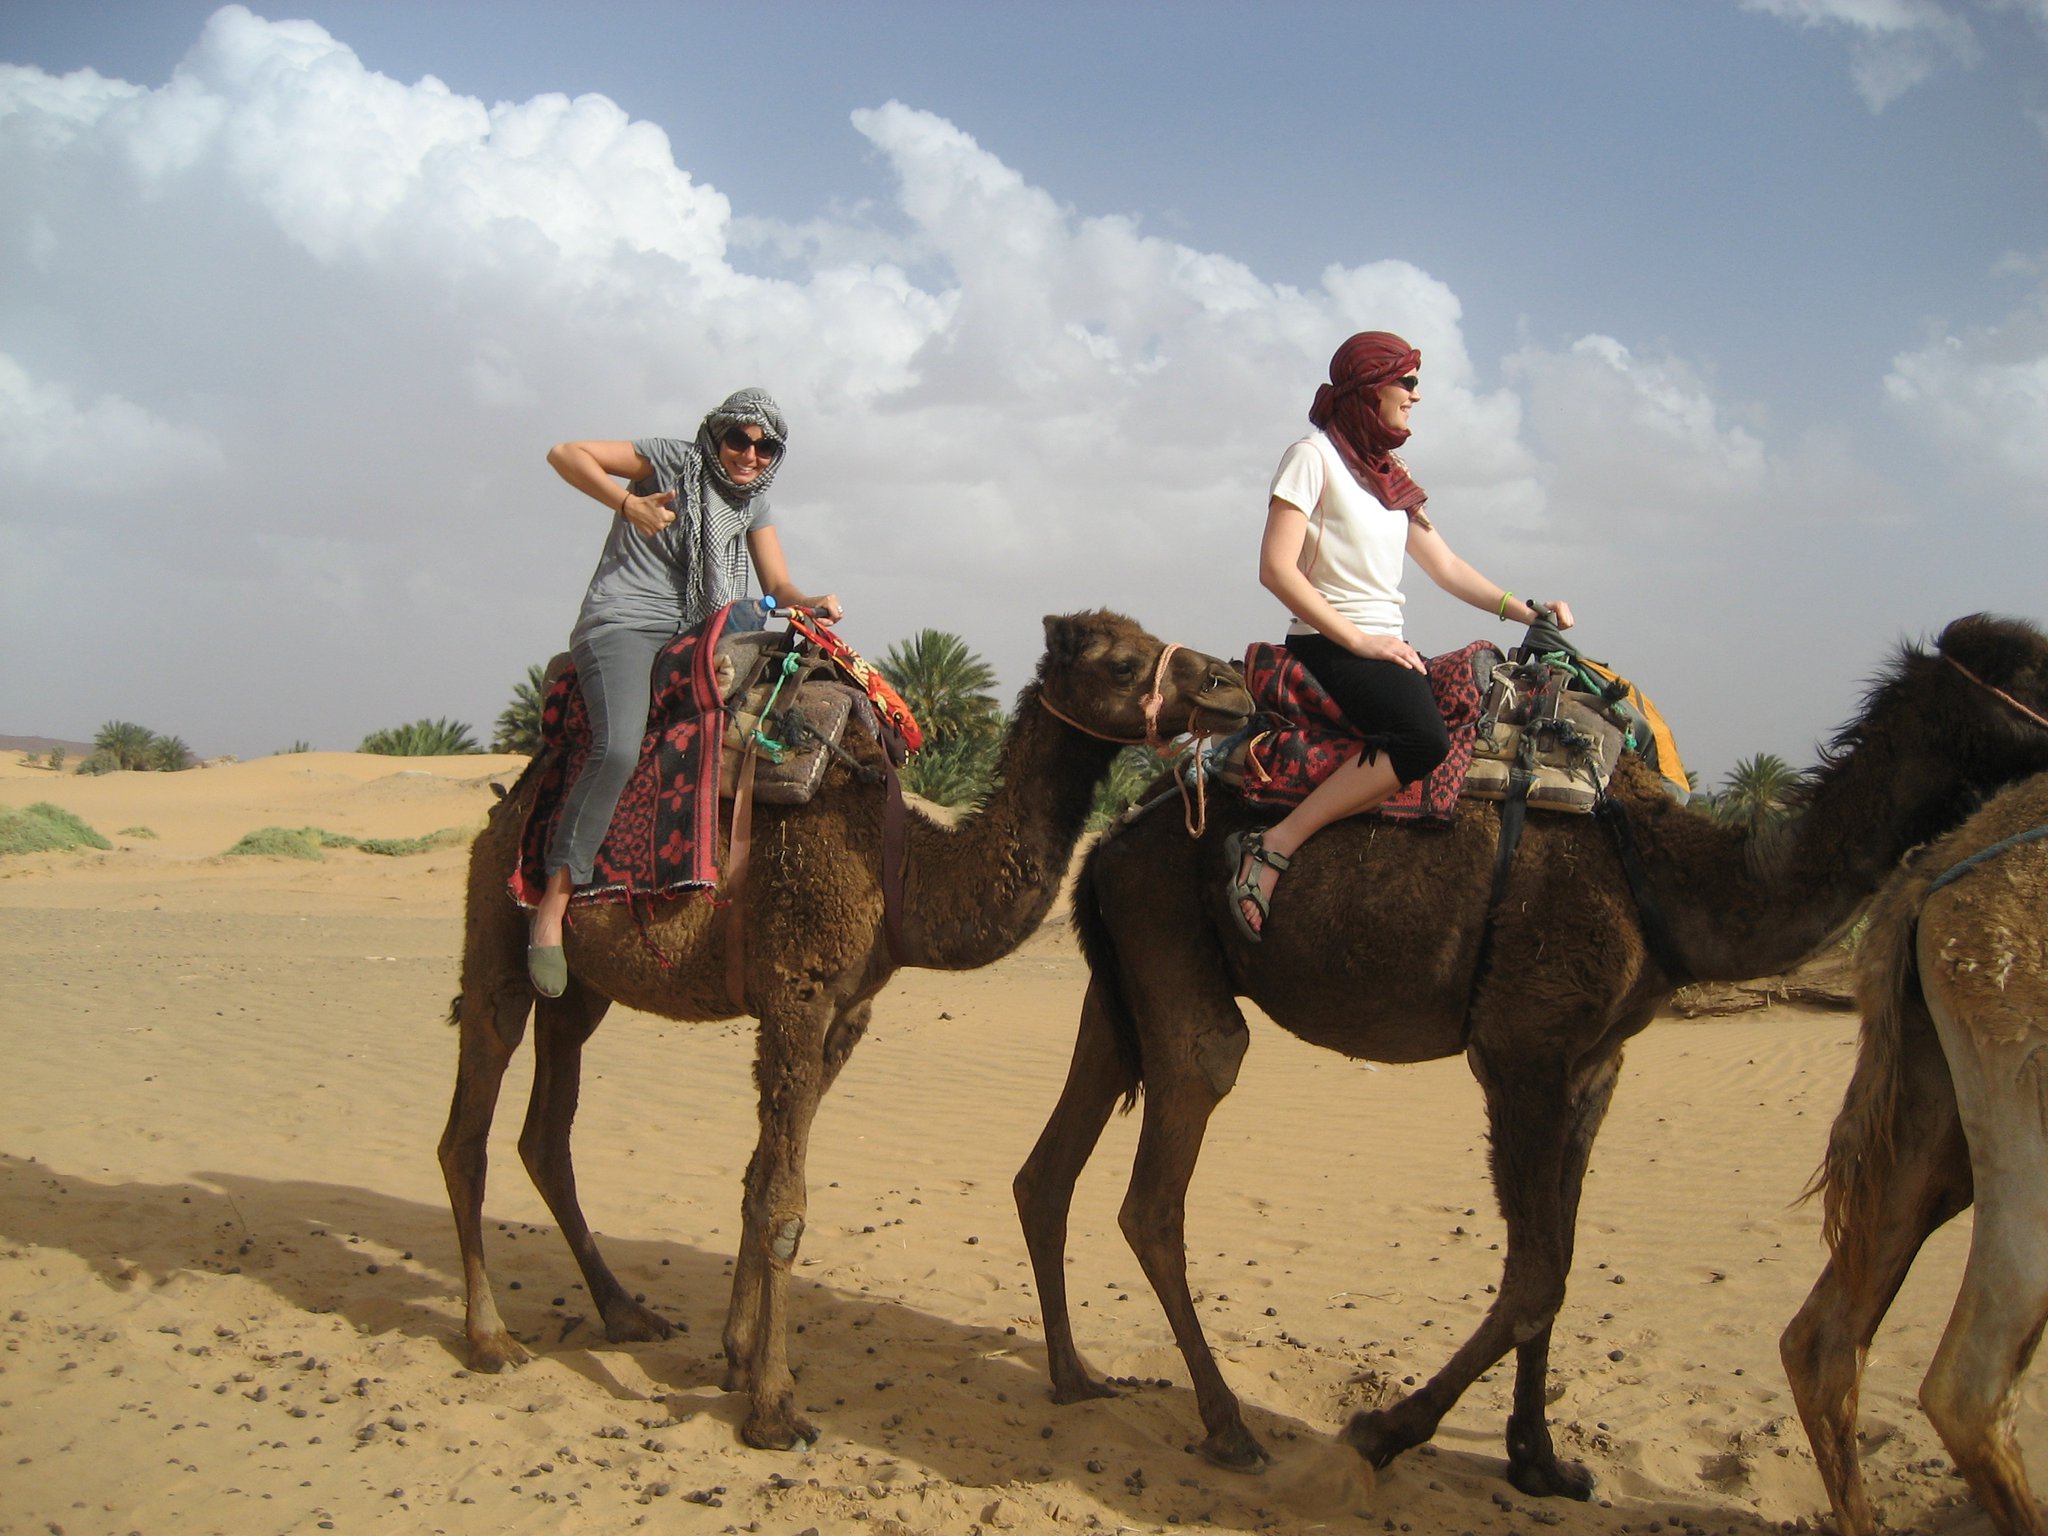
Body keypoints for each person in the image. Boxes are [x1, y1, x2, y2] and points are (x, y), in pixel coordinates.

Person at [1227, 331, 1574, 942]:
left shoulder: (1387, 472)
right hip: (1330, 641)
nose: (1416, 395)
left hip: (1386, 643)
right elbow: (1275, 569)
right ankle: (1273, 846)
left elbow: (1444, 566)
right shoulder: (1312, 457)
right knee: (1421, 740)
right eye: (1407, 381)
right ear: (1370, 387)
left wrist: (1528, 612)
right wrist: (1360, 642)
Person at [526, 387, 843, 996]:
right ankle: (553, 903)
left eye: (765, 445)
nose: (750, 455)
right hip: (624, 624)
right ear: (715, 435)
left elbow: (778, 581)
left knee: (768, 708)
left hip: (702, 631)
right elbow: (565, 453)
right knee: (619, 747)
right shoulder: (669, 460)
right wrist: (628, 505)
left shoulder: (754, 505)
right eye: (738, 440)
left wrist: (810, 602)